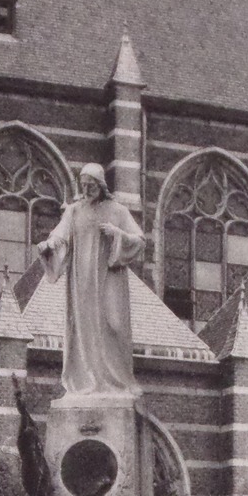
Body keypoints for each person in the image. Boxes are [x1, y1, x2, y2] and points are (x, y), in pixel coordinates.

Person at [37, 163, 144, 395]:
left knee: (113, 323)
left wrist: (117, 234)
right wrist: (48, 245)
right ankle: (87, 379)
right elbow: (60, 234)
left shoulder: (118, 211)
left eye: (91, 185)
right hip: (82, 279)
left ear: (101, 185)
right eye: (83, 186)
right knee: (84, 327)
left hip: (110, 277)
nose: (86, 190)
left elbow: (139, 240)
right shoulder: (75, 210)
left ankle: (118, 382)